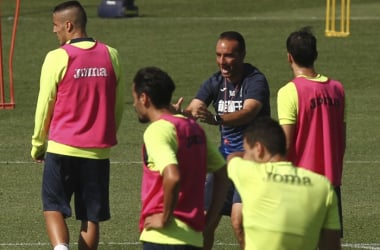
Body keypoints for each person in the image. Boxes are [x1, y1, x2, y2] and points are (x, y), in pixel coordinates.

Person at [30, 1, 125, 249]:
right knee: (90, 216)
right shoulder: (111, 54)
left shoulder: (57, 57)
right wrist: (107, 134)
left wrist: (38, 144)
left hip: (62, 148)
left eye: (55, 25)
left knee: (52, 207)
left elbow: (45, 105)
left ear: (68, 25)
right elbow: (118, 103)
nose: (54, 31)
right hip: (97, 150)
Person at [180, 31, 270, 249]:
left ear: (242, 55)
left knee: (239, 222)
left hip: (253, 160)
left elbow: (249, 112)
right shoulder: (215, 81)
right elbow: (195, 108)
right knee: (203, 221)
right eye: (218, 55)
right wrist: (179, 113)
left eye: (228, 55)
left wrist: (216, 119)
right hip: (225, 159)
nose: (222, 62)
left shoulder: (255, 80)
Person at [132, 66, 228, 250]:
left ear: (144, 98)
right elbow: (222, 174)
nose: (135, 104)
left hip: (163, 238)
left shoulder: (158, 130)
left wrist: (165, 218)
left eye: (135, 98)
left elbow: (172, 176)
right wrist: (209, 221)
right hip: (193, 239)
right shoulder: (194, 128)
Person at [227, 117, 342, 250]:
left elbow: (232, 158)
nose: (246, 156)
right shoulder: (323, 186)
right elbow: (331, 245)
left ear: (259, 149)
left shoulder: (251, 174)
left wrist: (246, 157)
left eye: (247, 151)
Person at [277, 26, 346, 235]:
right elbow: (341, 139)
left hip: (300, 184)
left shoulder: (290, 91)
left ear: (289, 57)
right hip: (330, 183)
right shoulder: (337, 89)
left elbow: (286, 144)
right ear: (315, 55)